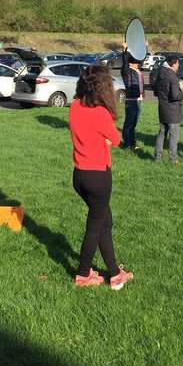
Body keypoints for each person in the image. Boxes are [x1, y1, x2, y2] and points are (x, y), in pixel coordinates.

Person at [69, 65, 134, 290]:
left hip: (79, 176)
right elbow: (116, 140)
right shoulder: (101, 113)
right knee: (95, 227)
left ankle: (115, 273)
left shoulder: (75, 106)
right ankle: (83, 274)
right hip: (98, 178)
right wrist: (105, 139)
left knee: (105, 222)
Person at [154, 56, 183, 164]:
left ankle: (157, 157)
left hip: (162, 109)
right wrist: (181, 93)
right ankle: (173, 159)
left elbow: (155, 91)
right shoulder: (172, 76)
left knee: (162, 134)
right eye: (178, 63)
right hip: (173, 111)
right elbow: (175, 95)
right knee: (173, 136)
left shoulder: (160, 73)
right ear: (173, 64)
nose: (178, 65)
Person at [120, 42, 144, 151]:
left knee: (133, 124)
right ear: (131, 63)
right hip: (130, 101)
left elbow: (141, 58)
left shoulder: (137, 71)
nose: (139, 64)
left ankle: (133, 143)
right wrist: (125, 51)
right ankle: (127, 144)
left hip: (137, 100)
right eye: (136, 62)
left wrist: (145, 47)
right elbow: (125, 62)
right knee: (128, 124)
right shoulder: (127, 71)